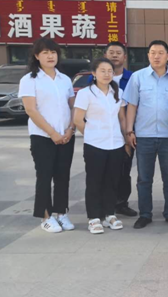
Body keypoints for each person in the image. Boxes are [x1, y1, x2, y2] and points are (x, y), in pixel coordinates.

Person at [124, 40, 168, 229]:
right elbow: (132, 105)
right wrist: (129, 131)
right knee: (144, 178)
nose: (156, 56)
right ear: (148, 55)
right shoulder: (138, 77)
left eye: (160, 53)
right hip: (144, 136)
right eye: (152, 52)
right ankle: (145, 214)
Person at [18, 38, 76, 233]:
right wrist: (52, 133)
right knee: (44, 176)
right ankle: (45, 216)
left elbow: (73, 106)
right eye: (45, 52)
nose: (50, 56)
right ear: (37, 56)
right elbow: (31, 110)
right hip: (42, 137)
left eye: (53, 52)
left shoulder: (65, 79)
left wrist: (70, 129)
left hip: (66, 136)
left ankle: (61, 212)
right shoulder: (29, 80)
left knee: (63, 176)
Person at [74, 58, 127, 234]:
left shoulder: (117, 92)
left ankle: (109, 214)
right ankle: (94, 217)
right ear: (94, 73)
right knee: (94, 181)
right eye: (102, 71)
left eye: (109, 71)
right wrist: (91, 134)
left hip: (116, 144)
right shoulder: (86, 93)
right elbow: (78, 120)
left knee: (112, 181)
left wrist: (126, 137)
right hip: (95, 145)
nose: (106, 74)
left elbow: (122, 117)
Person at [86, 43, 136, 218]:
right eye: (111, 52)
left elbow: (126, 112)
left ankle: (120, 204)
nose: (115, 55)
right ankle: (100, 208)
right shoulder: (91, 82)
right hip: (98, 138)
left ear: (124, 57)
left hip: (124, 133)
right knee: (100, 174)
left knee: (123, 171)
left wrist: (128, 134)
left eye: (118, 53)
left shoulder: (133, 78)